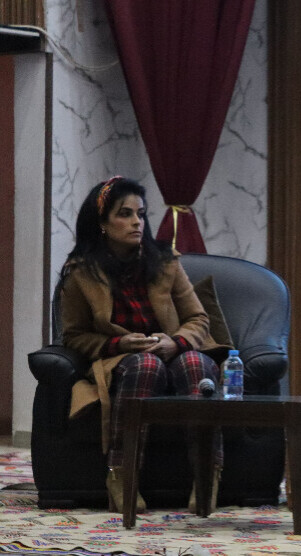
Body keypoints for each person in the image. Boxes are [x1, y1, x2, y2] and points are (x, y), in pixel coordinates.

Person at [60, 177, 229, 514]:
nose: (137, 222)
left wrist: (176, 342)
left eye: (141, 214)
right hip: (125, 361)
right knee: (145, 365)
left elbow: (198, 318)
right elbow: (74, 335)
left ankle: (207, 476)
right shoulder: (80, 272)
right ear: (103, 223)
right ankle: (121, 476)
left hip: (176, 353)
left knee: (195, 363)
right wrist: (119, 342)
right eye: (125, 214)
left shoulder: (166, 261)